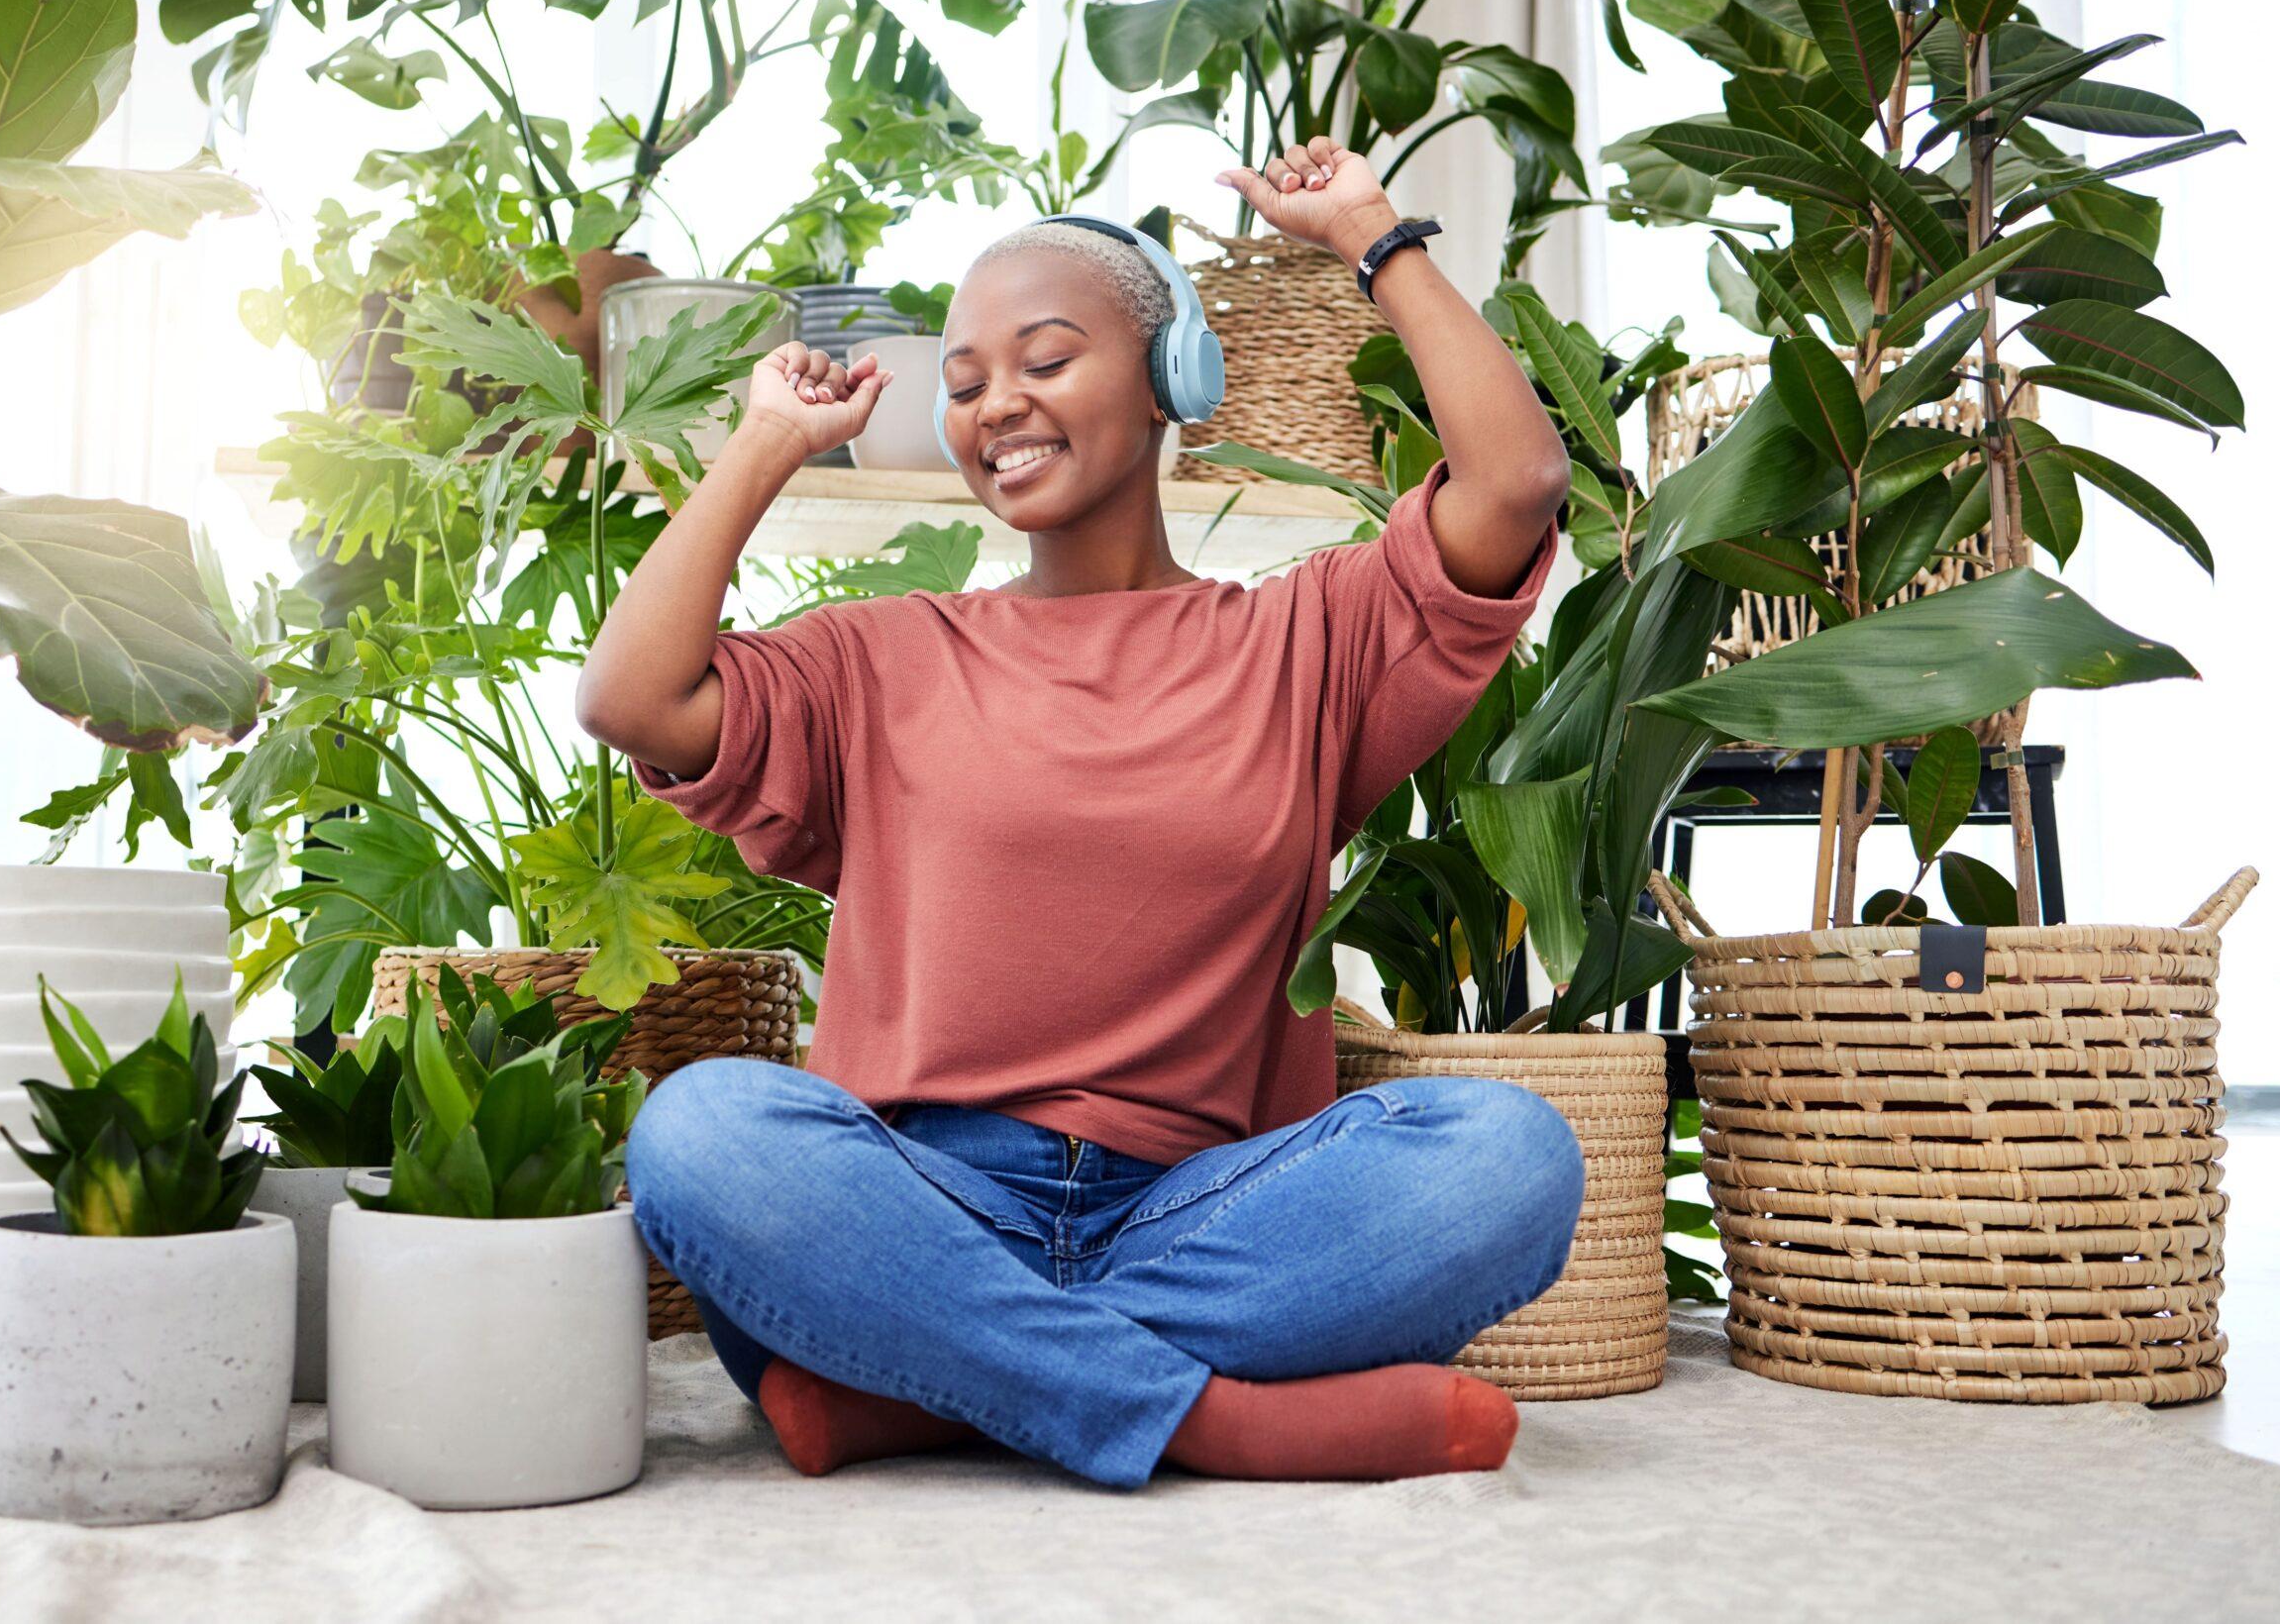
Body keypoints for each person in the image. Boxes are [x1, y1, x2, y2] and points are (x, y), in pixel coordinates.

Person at [577, 136, 1581, 1491]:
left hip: (1200, 1211)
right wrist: (764, 446)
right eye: (967, 383)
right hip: (919, 1206)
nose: (998, 405)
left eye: (1045, 362)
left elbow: (1515, 484)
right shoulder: (880, 655)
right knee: (701, 1136)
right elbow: (631, 700)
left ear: (1173, 384)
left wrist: (1370, 236)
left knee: (1510, 1162)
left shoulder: (1308, 645)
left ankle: (935, 1394)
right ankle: (1215, 1422)